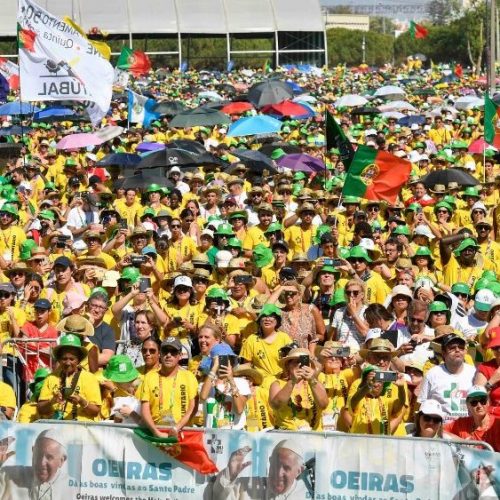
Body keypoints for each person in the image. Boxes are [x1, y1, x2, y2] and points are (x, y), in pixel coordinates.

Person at [211, 439, 308, 500]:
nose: (278, 473)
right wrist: (229, 475)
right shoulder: (245, 486)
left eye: (286, 468)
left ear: (299, 471)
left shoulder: (307, 495)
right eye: (275, 465)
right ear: (270, 462)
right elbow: (218, 496)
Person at [140, 337, 198, 437]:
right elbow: (145, 409)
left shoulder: (189, 377)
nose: (168, 355)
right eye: (165, 351)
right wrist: (156, 432)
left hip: (182, 433)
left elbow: (193, 408)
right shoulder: (149, 377)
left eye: (173, 352)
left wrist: (177, 428)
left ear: (180, 355)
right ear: (160, 354)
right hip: (155, 433)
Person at [37, 333, 102, 421]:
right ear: (59, 360)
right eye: (64, 359)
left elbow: (95, 412)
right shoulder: (51, 378)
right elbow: (40, 409)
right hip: (56, 426)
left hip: (82, 426)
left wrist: (81, 401)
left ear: (78, 360)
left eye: (72, 359)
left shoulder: (90, 378)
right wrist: (52, 401)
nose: (68, 363)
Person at [418, 333, 475, 423]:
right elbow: (422, 404)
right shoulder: (432, 374)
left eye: (461, 347)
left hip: (468, 426)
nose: (457, 350)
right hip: (441, 427)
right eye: (452, 348)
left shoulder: (474, 373)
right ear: (443, 353)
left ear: (465, 351)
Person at [0, 429, 73, 499]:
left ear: (61, 460)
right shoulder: (8, 475)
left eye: (49, 457)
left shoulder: (72, 487)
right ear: (33, 451)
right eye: (38, 454)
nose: (42, 463)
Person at [269, 347, 328, 431]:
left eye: (303, 362)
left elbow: (323, 405)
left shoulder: (316, 382)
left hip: (313, 434)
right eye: (296, 362)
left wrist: (311, 380)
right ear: (288, 365)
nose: (300, 365)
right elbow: (276, 405)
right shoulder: (277, 384)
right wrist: (292, 381)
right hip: (287, 435)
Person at [444, 386, 500, 451]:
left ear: (488, 403)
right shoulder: (462, 423)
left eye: (483, 401)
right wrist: (462, 441)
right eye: (474, 402)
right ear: (468, 405)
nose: (479, 406)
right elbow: (439, 430)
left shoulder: (496, 424)